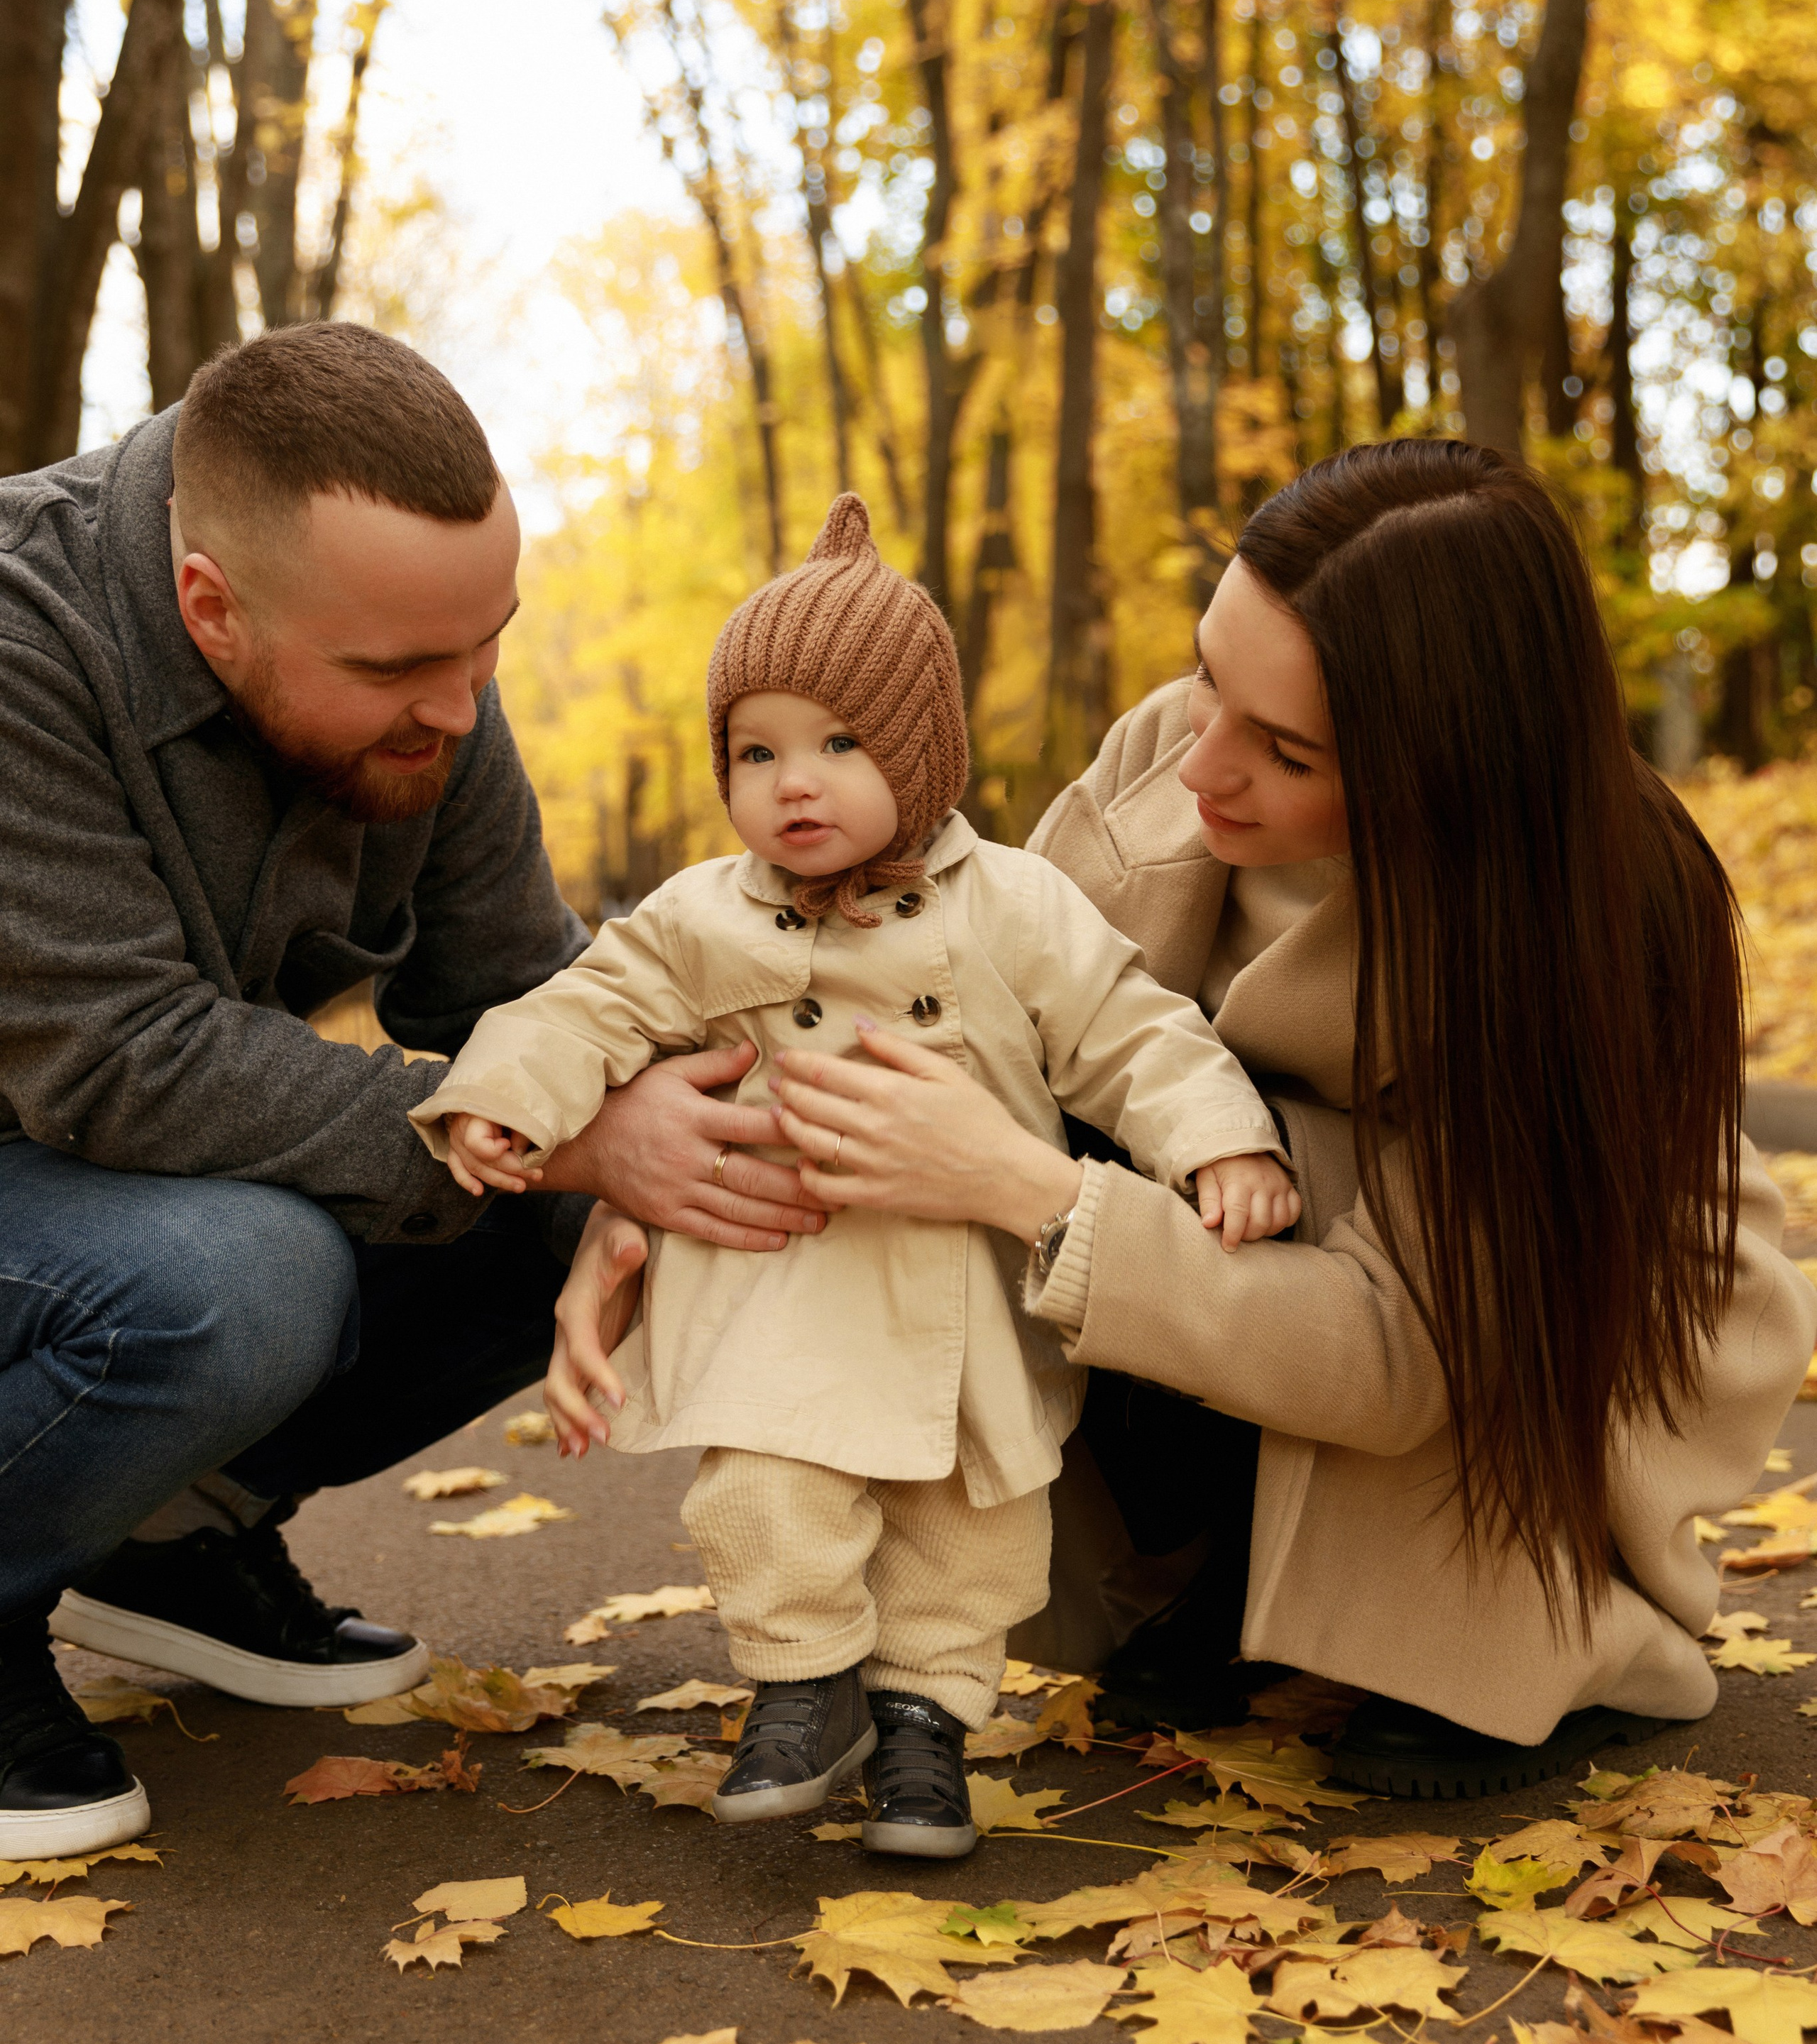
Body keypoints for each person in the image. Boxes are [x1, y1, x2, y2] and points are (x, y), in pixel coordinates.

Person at [566, 441, 1817, 1804]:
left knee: (1103, 1160)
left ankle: (1516, 1610)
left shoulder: (1588, 924)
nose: (1201, 763)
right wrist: (645, 1196)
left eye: (1283, 750)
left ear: (1441, 772)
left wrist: (1028, 1186)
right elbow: (919, 1011)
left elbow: (1409, 1355)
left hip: (1519, 1346)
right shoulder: (1177, 745)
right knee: (1076, 1123)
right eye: (1213, 677)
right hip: (1264, 1258)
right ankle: (1206, 1580)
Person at [0, 322, 816, 1861]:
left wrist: (702, 1107)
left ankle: (175, 1532)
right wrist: (573, 1131)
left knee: (583, 1194)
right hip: (44, 1152)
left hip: (90, 1174)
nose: (458, 704)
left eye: (485, 643)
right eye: (396, 672)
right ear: (208, 607)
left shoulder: (422, 665)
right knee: (245, 1280)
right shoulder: (23, 640)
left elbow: (521, 996)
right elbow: (119, 1060)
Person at [409, 495, 1298, 1857]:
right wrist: (506, 1102)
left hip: (965, 1297)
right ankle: (798, 1681)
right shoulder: (707, 912)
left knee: (970, 1530)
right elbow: (582, 1007)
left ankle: (929, 1731)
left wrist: (1218, 1139)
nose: (794, 782)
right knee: (762, 1490)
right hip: (780, 1280)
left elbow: (1132, 1032)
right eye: (756, 751)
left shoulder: (1009, 904)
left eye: (839, 743)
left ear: (923, 752)